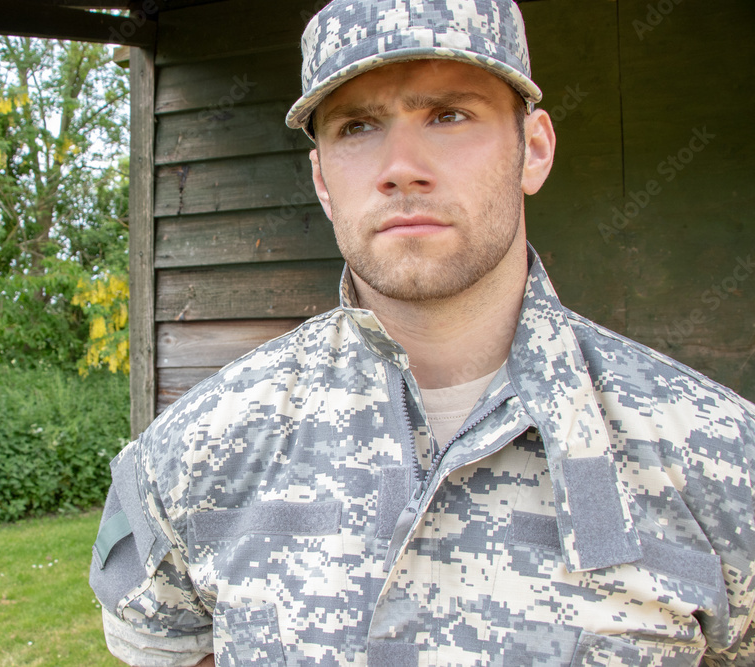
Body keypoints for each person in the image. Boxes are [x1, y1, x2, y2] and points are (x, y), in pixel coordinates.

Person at [90, 0, 755, 664]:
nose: (401, 165)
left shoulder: (722, 457)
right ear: (322, 179)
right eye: (357, 127)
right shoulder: (195, 453)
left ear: (535, 150)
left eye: (449, 114)